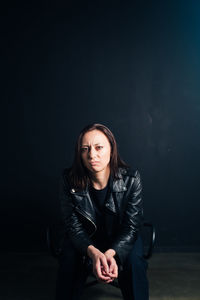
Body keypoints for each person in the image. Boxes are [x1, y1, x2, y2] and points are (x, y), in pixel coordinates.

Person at [56, 123, 149, 300]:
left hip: (121, 237)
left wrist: (111, 253)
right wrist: (93, 252)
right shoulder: (68, 180)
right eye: (85, 149)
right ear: (80, 154)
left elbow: (131, 226)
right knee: (69, 259)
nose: (92, 155)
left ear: (111, 149)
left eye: (99, 147)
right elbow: (72, 226)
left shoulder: (131, 179)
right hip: (85, 239)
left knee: (135, 263)